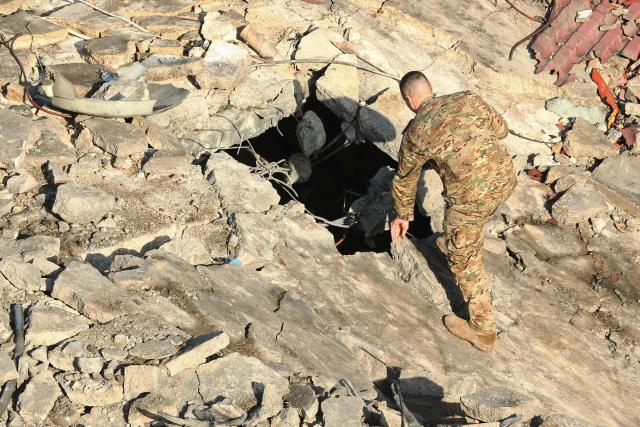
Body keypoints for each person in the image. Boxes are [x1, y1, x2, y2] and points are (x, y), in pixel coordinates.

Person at [390, 71, 516, 352]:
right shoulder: (467, 99)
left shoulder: (416, 132)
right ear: (431, 89)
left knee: (464, 258)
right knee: (465, 225)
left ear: (410, 100)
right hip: (505, 178)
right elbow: (501, 130)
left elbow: (406, 179)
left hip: (472, 198)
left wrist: (403, 216)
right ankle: (459, 240)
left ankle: (483, 330)